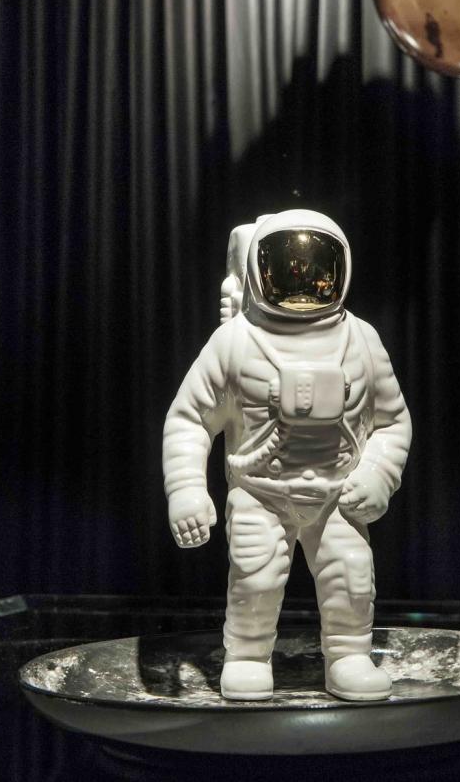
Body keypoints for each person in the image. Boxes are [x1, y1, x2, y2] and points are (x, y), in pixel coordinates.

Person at [163, 209, 412, 701]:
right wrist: (186, 489)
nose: (302, 284)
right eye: (286, 271)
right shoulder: (235, 342)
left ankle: (349, 656)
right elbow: (190, 420)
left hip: (339, 495)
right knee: (254, 577)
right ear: (258, 272)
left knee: (350, 577)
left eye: (316, 271)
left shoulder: (361, 340)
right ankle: (247, 657)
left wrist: (378, 476)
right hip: (261, 493)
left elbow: (392, 421)